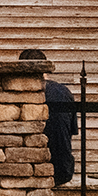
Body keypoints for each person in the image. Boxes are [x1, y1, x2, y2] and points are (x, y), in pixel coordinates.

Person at [20, 48, 78, 186]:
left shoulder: (21, 94)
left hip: (29, 170)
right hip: (61, 171)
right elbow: (71, 131)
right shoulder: (64, 92)